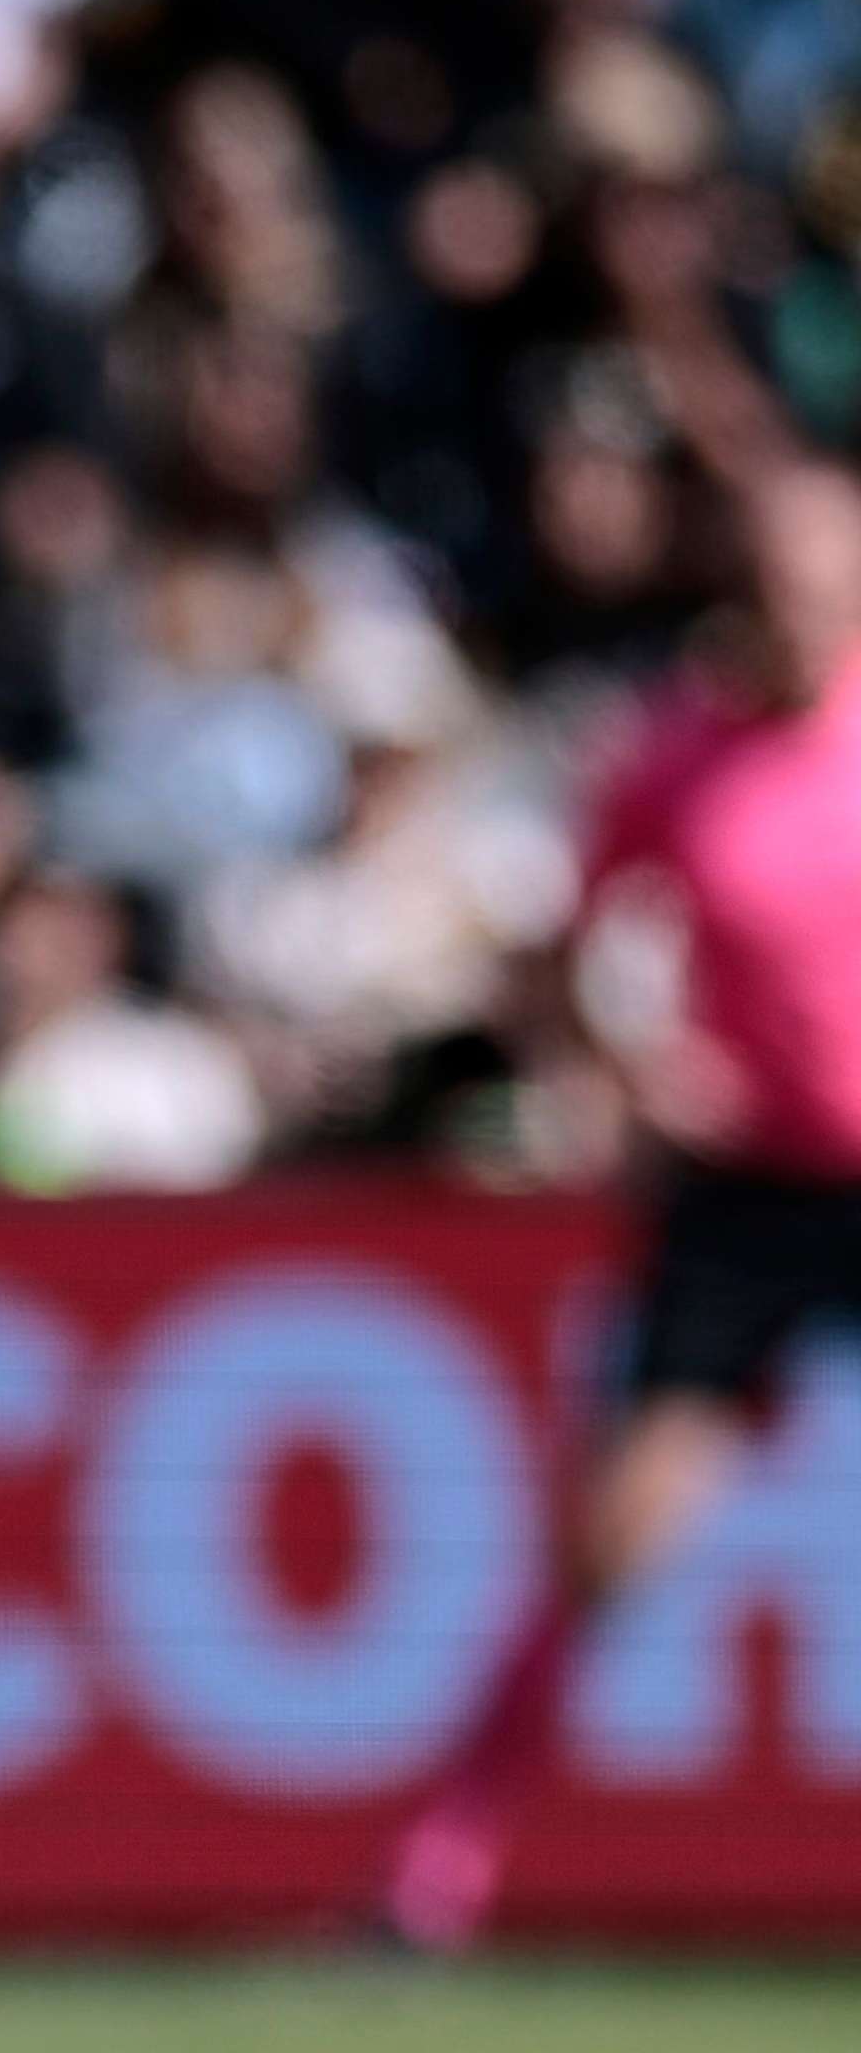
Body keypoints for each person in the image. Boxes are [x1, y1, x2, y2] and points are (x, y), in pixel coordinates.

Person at [378, 458, 861, 1951]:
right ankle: (437, 1876)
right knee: (616, 1537)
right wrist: (633, 1070)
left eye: (820, 575)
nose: (794, 604)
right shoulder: (676, 752)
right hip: (751, 1197)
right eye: (772, 576)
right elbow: (570, 954)